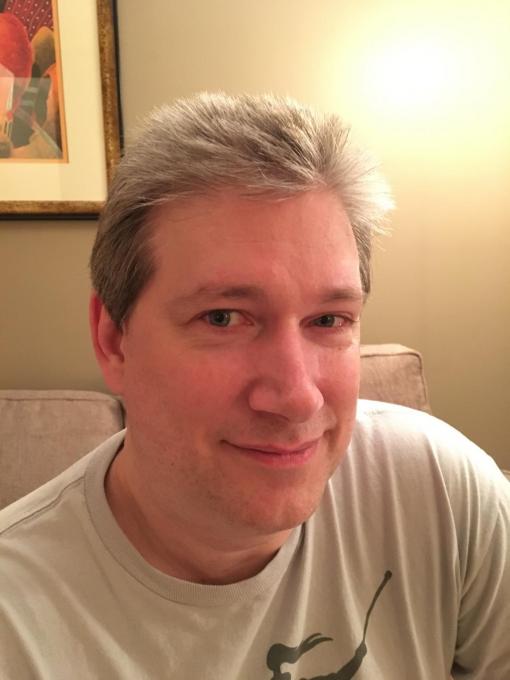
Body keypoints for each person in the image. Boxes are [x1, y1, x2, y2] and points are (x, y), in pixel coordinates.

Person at [0, 93, 509, 679]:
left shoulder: (437, 489)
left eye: (329, 319)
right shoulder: (18, 622)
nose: (297, 396)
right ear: (115, 340)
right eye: (223, 318)